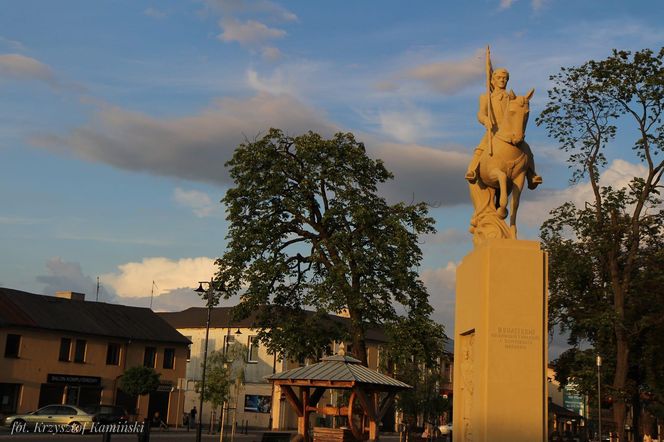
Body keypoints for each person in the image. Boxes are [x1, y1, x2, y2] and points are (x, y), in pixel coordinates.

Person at [465, 67, 542, 189]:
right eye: (499, 78)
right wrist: (485, 120)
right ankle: (472, 171)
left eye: (505, 78)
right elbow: (480, 113)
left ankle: (531, 175)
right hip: (493, 130)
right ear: (492, 80)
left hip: (510, 132)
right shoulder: (486, 97)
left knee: (526, 149)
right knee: (480, 148)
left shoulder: (511, 98)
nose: (502, 80)